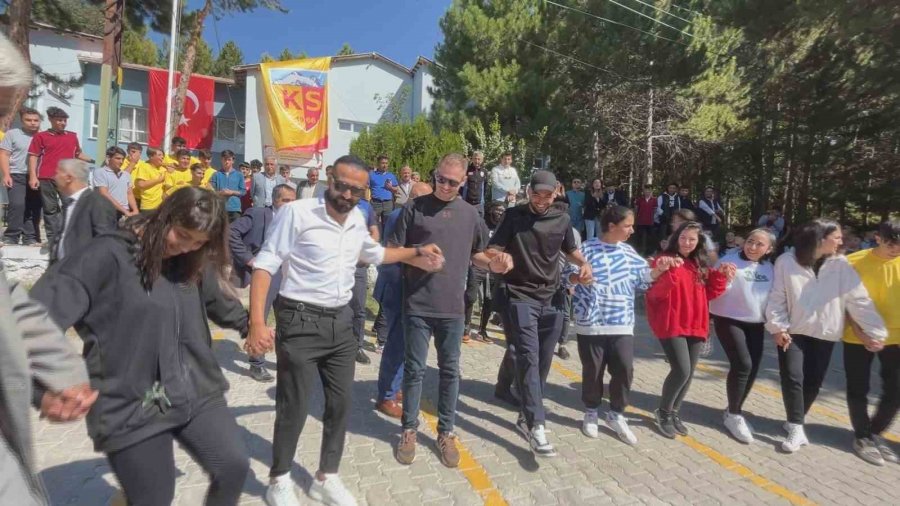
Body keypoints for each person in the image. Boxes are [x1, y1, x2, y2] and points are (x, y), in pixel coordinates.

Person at [31, 187, 253, 506]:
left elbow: (216, 300)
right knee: (154, 497)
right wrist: (43, 391)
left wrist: (250, 325)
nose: (186, 247)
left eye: (199, 243)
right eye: (182, 235)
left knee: (233, 466)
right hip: (129, 403)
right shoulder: (105, 256)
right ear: (166, 216)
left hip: (194, 387)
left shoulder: (191, 257)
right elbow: (30, 321)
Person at [245, 155, 443, 506]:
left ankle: (326, 476)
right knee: (294, 406)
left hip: (341, 324)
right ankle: (278, 479)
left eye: (356, 189)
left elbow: (376, 253)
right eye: (341, 184)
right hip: (299, 321)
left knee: (340, 404)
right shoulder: (297, 213)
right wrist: (257, 323)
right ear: (329, 179)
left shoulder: (356, 220)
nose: (347, 194)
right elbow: (265, 265)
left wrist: (416, 251)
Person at [479, 170, 592, 457]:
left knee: (542, 361)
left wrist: (583, 264)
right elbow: (492, 249)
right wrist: (499, 258)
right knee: (528, 356)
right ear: (528, 190)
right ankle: (535, 424)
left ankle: (527, 412)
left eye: (547, 194)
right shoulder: (514, 216)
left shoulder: (563, 219)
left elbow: (570, 250)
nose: (541, 200)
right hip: (519, 296)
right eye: (536, 193)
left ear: (556, 192)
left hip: (552, 298)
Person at [390, 154, 488, 468]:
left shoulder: (471, 215)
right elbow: (393, 251)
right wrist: (418, 259)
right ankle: (409, 430)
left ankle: (446, 432)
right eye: (440, 179)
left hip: (453, 309)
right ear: (435, 175)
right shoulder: (413, 209)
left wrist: (496, 263)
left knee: (450, 372)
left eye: (452, 182)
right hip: (417, 304)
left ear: (463, 184)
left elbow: (480, 254)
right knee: (415, 370)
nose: (444, 186)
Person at [765, 219, 887, 453]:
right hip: (794, 330)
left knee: (813, 382)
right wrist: (778, 327)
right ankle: (797, 428)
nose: (842, 241)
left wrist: (874, 331)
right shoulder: (787, 261)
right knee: (793, 376)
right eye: (837, 237)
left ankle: (794, 419)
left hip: (825, 332)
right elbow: (777, 297)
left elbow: (859, 300)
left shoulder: (840, 265)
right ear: (820, 239)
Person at [568, 206, 679, 445]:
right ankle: (591, 411)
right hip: (591, 322)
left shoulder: (628, 253)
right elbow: (568, 277)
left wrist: (659, 270)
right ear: (612, 226)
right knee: (593, 371)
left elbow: (644, 277)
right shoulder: (585, 250)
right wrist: (578, 278)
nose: (632, 230)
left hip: (621, 323)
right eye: (628, 225)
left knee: (624, 370)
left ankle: (616, 413)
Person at [646, 221, 734, 439]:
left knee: (689, 372)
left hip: (696, 323)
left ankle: (674, 412)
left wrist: (721, 275)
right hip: (671, 322)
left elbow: (709, 295)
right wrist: (668, 271)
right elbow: (655, 295)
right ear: (676, 238)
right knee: (681, 370)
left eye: (692, 239)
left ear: (698, 242)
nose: (686, 243)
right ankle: (663, 411)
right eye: (683, 238)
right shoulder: (664, 259)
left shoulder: (699, 265)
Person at [708, 228, 776, 444]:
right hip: (728, 318)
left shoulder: (770, 268)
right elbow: (713, 289)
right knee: (743, 364)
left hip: (755, 322)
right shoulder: (728, 261)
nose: (753, 247)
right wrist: (725, 278)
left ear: (769, 249)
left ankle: (733, 409)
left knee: (753, 367)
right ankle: (734, 415)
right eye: (750, 241)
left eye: (759, 244)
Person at [842, 219, 900, 466]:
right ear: (878, 237)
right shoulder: (853, 262)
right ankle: (862, 437)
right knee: (858, 388)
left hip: (896, 338)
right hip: (857, 336)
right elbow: (843, 302)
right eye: (891, 243)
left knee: (896, 391)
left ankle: (875, 432)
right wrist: (861, 332)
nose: (896, 249)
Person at [374, 181, 434, 418]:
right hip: (396, 287)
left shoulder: (415, 215)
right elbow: (392, 255)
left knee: (406, 344)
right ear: (414, 199)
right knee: (397, 344)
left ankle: (394, 387)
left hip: (406, 288)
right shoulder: (401, 216)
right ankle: (386, 396)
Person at [230, 184, 297, 383]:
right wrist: (249, 259)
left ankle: (285, 361)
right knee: (259, 318)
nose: (290, 205)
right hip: (265, 275)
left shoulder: (296, 219)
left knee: (287, 321)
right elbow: (230, 233)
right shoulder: (258, 214)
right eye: (286, 200)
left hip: (289, 275)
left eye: (293, 201)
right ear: (275, 200)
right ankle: (256, 363)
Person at [27, 107, 94, 248]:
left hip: (68, 178)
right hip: (46, 177)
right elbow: (33, 156)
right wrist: (33, 176)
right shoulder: (41, 136)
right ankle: (53, 239)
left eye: (64, 120)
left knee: (70, 206)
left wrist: (93, 159)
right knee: (50, 209)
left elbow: (78, 154)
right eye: (59, 120)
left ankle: (70, 236)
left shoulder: (72, 136)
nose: (63, 123)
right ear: (51, 120)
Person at [48, 159, 118, 265]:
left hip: (82, 274)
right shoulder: (69, 203)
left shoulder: (97, 202)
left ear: (68, 178)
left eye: (58, 173)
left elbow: (105, 243)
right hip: (61, 273)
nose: (55, 177)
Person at [1, 107, 43, 246]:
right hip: (16, 174)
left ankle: (30, 237)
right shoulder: (12, 134)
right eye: (28, 120)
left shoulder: (43, 136)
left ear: (40, 121)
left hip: (37, 177)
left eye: (35, 120)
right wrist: (6, 174)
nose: (32, 123)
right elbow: (4, 154)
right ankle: (11, 236)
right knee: (17, 205)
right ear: (22, 121)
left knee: (33, 207)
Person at [93, 146, 138, 218]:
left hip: (124, 213)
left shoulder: (126, 175)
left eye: (122, 159)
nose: (121, 161)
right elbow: (104, 193)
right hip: (107, 212)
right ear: (108, 158)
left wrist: (135, 210)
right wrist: (125, 211)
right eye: (118, 158)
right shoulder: (100, 172)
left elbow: (129, 194)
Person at [210, 150, 245, 222]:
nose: (227, 162)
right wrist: (221, 193)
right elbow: (210, 191)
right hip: (220, 209)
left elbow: (243, 191)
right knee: (220, 232)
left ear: (233, 161)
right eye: (225, 159)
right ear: (221, 160)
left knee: (234, 232)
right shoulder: (216, 174)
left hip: (235, 209)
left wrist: (231, 192)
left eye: (229, 159)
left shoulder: (239, 175)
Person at [131, 148, 168, 213]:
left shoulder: (164, 169)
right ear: (151, 157)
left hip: (162, 206)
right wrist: (158, 180)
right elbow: (141, 184)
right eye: (159, 155)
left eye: (163, 155)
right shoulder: (144, 166)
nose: (162, 157)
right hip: (148, 206)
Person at [368, 155, 399, 230]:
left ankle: (385, 240)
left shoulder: (391, 176)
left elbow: (397, 189)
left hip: (388, 203)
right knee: (373, 224)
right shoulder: (371, 175)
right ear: (378, 163)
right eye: (382, 163)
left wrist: (391, 187)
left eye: (386, 163)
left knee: (388, 224)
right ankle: (375, 240)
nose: (385, 165)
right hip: (375, 203)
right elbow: (366, 187)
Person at [632, 184, 657, 257]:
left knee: (650, 238)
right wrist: (635, 219)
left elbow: (655, 211)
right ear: (644, 191)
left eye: (649, 190)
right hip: (640, 222)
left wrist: (653, 219)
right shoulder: (639, 200)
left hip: (650, 222)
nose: (647, 192)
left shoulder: (654, 200)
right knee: (640, 237)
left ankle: (649, 253)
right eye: (646, 190)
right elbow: (636, 210)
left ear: (651, 191)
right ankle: (639, 251)